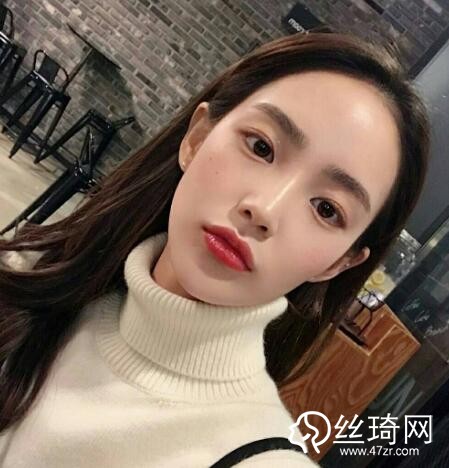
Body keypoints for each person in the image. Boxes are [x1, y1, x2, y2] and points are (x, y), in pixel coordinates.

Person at [0, 30, 430, 467]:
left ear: (339, 263)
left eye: (326, 209)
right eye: (261, 147)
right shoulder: (36, 280)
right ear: (198, 137)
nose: (264, 209)